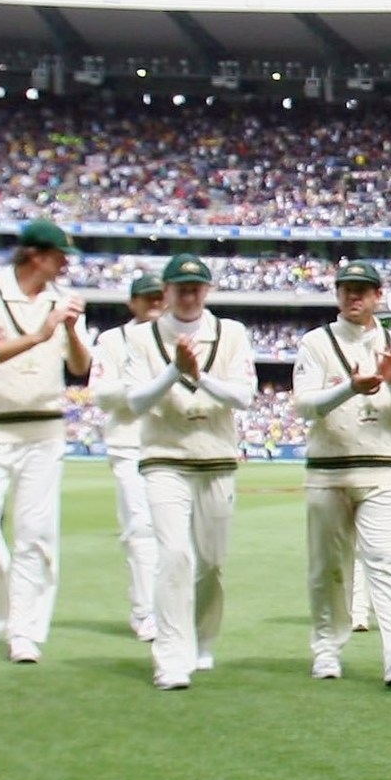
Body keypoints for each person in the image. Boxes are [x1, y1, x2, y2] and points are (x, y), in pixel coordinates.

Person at [0, 219, 89, 665]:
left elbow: (81, 367)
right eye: (58, 255)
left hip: (43, 425)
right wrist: (38, 334)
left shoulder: (61, 300)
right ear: (34, 255)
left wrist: (68, 329)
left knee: (36, 533)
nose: (65, 263)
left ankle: (24, 632)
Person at [118, 253, 257, 690]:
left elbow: (245, 396)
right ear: (167, 292)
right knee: (174, 555)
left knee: (211, 564)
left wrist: (198, 377)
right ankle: (171, 658)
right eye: (181, 287)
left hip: (215, 457)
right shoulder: (143, 339)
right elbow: (136, 402)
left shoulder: (231, 333)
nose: (189, 294)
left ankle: (202, 641)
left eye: (196, 287)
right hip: (164, 458)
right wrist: (174, 372)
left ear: (208, 290)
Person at [290, 260, 391, 688]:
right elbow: (304, 405)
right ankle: (327, 649)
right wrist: (349, 387)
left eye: (363, 290)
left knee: (387, 559)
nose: (355, 296)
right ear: (337, 295)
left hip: (383, 468)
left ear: (377, 296)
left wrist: (390, 382)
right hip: (328, 470)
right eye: (348, 289)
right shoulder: (316, 343)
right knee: (328, 567)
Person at [86, 275, 166, 640]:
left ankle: (173, 609)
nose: (153, 304)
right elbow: (101, 394)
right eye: (146, 298)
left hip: (174, 443)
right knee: (141, 528)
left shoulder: (178, 336)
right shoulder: (112, 339)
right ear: (132, 303)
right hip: (129, 442)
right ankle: (145, 612)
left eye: (158, 297)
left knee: (178, 533)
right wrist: (147, 387)